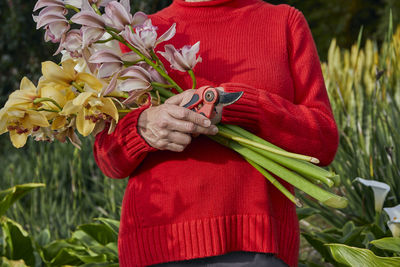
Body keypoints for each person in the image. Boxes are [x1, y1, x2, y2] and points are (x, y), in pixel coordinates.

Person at [93, 0, 339, 266]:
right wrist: (143, 126)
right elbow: (109, 159)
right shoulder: (136, 33)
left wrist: (240, 105)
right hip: (159, 243)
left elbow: (322, 142)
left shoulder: (284, 23)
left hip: (257, 244)